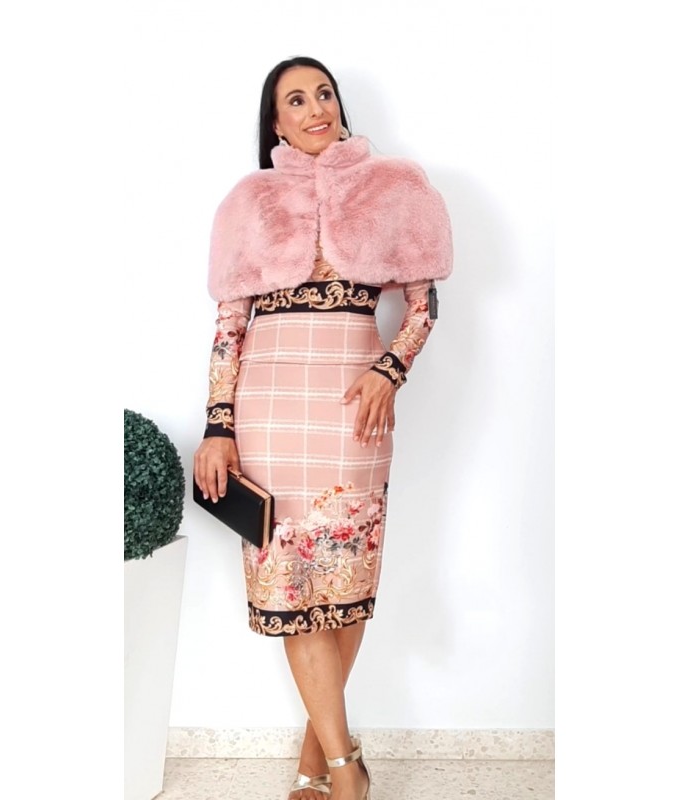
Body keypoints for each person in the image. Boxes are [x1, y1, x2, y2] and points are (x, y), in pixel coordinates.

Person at [193, 56, 453, 800]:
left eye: (325, 94)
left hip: (352, 414)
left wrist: (389, 370)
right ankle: (346, 772)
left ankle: (319, 758)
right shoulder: (250, 202)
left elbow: (424, 306)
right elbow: (229, 327)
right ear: (276, 123)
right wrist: (218, 426)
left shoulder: (393, 189)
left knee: (344, 580)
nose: (316, 109)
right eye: (297, 100)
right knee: (291, 589)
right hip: (269, 415)